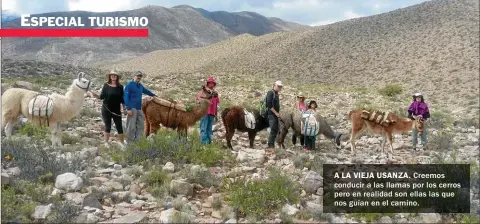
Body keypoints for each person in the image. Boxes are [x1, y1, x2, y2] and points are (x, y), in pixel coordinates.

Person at [90, 71, 126, 147]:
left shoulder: (120, 87)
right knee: (107, 126)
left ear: (117, 77)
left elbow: (122, 99)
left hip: (116, 110)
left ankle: (122, 143)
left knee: (119, 126)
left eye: (115, 75)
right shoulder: (106, 85)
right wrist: (95, 95)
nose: (113, 76)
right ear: (109, 76)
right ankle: (106, 142)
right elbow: (102, 96)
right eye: (112, 75)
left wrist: (124, 108)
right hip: (106, 109)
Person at [124, 71, 157, 143]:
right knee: (131, 126)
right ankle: (129, 142)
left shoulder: (140, 86)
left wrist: (153, 95)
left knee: (141, 125)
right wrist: (128, 108)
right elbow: (126, 96)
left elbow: (146, 91)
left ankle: (138, 141)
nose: (139, 77)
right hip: (132, 107)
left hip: (139, 108)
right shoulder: (130, 84)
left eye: (140, 76)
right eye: (137, 76)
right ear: (134, 76)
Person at [196, 77, 219, 144]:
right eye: (210, 83)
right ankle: (204, 142)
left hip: (212, 113)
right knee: (203, 127)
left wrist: (216, 114)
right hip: (204, 112)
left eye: (212, 83)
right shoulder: (202, 92)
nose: (211, 84)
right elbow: (198, 101)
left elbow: (216, 105)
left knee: (209, 128)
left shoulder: (215, 93)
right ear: (207, 84)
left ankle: (209, 142)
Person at [265, 80, 283, 153]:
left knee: (275, 130)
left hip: (275, 115)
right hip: (271, 114)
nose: (279, 88)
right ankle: (270, 146)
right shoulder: (270, 92)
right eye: (278, 86)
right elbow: (269, 105)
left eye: (280, 87)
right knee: (273, 130)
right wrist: (276, 113)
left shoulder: (276, 94)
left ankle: (272, 144)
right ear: (274, 85)